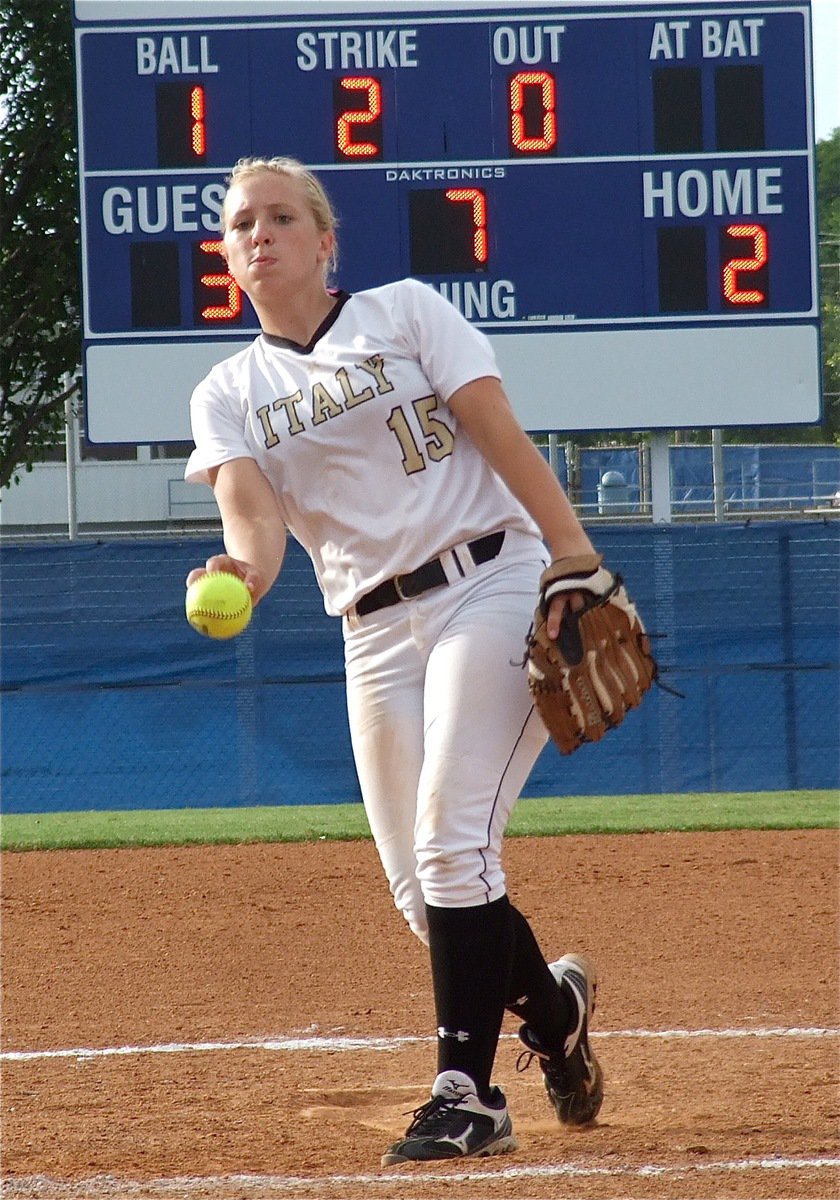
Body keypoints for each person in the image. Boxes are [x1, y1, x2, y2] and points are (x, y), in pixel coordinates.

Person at [185, 156, 604, 1166]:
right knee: (425, 892)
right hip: (371, 630)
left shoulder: (406, 313)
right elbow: (258, 526)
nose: (262, 233)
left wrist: (576, 558)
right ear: (229, 256)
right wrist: (239, 566)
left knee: (454, 843)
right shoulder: (230, 391)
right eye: (243, 222)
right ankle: (555, 1017)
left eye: (284, 216)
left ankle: (467, 1095)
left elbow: (500, 435)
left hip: (488, 582)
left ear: (326, 242)